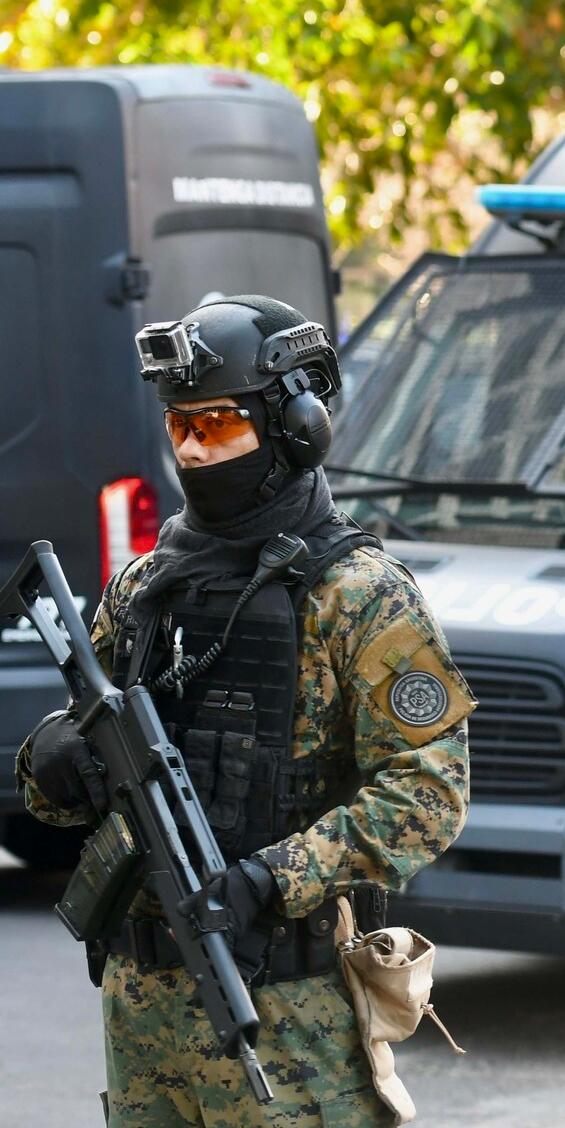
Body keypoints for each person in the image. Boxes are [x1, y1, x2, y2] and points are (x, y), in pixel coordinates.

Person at [16, 296, 474, 1126]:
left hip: (289, 1016)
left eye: (219, 424)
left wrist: (271, 879)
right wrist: (53, 763)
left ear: (296, 427)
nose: (194, 449)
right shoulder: (145, 587)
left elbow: (428, 795)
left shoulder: (361, 594)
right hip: (140, 1008)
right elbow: (67, 775)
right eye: (180, 425)